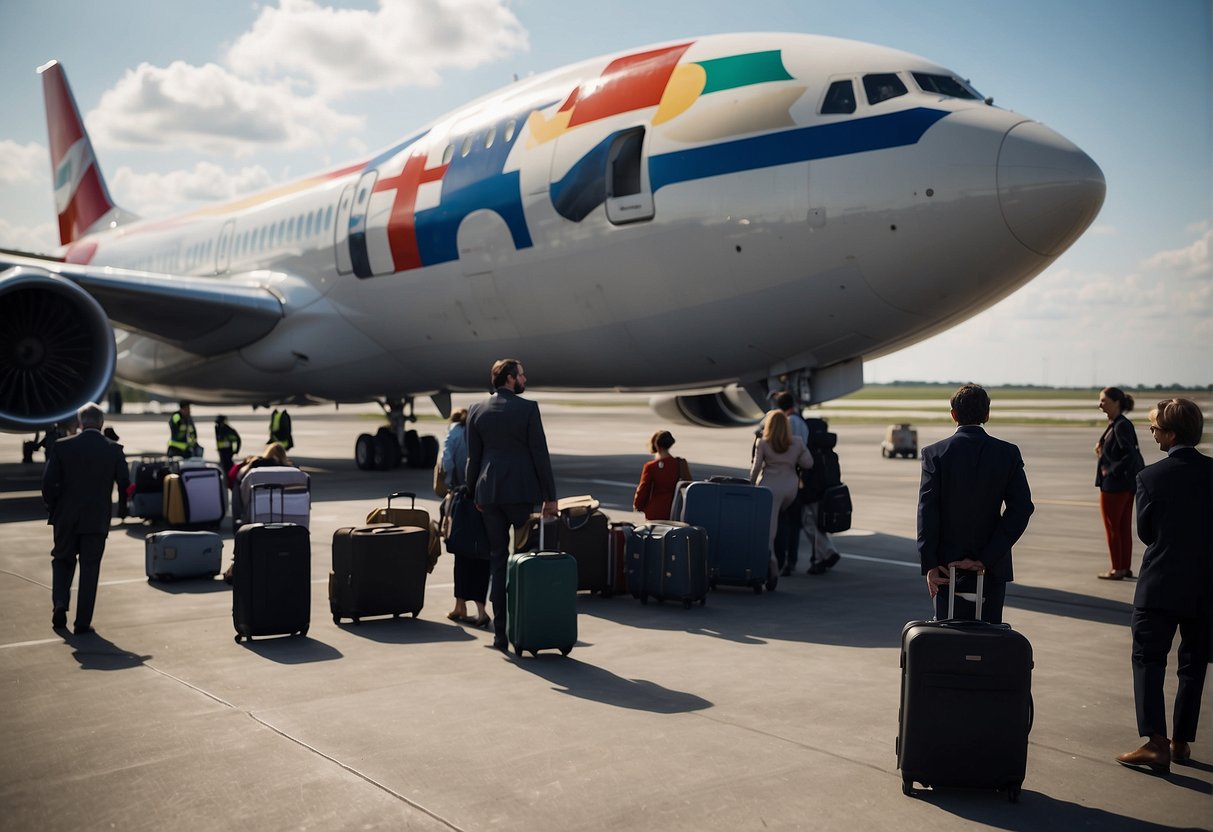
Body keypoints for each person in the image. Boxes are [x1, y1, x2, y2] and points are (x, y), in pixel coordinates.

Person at [1116, 398, 1212, 774]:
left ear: (1171, 434)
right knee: (1193, 664)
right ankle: (1181, 741)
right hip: (1204, 585)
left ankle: (1155, 741)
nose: (1152, 432)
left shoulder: (1150, 477)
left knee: (1149, 660)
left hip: (1160, 584)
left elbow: (1145, 532)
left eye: (1155, 428)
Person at [917, 384, 1034, 624]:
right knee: (987, 643)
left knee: (948, 637)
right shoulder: (1008, 453)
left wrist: (929, 563)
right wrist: (987, 557)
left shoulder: (935, 454)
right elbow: (1021, 508)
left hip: (946, 566)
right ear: (987, 415)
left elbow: (927, 511)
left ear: (953, 415)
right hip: (991, 565)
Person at [465, 359, 558, 651]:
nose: (524, 378)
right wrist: (550, 496)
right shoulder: (528, 408)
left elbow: (473, 458)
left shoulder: (476, 409)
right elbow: (539, 454)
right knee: (523, 561)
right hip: (520, 494)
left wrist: (473, 494)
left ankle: (500, 635)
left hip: (489, 494)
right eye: (521, 374)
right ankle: (523, 628)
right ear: (509, 378)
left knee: (497, 561)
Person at [41, 402, 129, 635]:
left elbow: (48, 484)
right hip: (96, 519)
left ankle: (60, 602)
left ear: (80, 423)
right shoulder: (114, 449)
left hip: (65, 518)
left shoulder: (61, 447)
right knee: (90, 569)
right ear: (101, 423)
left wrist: (54, 509)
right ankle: (82, 622)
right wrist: (122, 510)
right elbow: (125, 482)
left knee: (62, 561)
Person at [749, 409, 814, 582]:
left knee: (769, 528)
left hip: (769, 487)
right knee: (787, 525)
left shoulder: (762, 442)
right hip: (790, 488)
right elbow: (809, 463)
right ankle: (786, 559)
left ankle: (771, 559)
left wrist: (751, 484)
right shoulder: (797, 442)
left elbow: (756, 467)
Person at [442, 409, 488, 627]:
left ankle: (460, 605)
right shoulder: (482, 431)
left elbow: (446, 460)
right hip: (483, 500)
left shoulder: (455, 431)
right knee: (481, 554)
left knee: (460, 553)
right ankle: (481, 609)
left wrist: (449, 484)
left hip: (462, 497)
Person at [1095, 386, 1142, 580]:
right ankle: (1124, 567)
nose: (1100, 404)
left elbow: (1129, 454)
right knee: (1122, 527)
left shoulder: (1121, 425)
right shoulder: (1118, 423)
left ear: (1116, 403)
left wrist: (1109, 470)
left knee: (1113, 527)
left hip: (1115, 485)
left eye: (1104, 401)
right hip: (1124, 485)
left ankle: (1117, 569)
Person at [633, 430, 690, 521]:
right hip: (675, 511)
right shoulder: (680, 464)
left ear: (656, 445)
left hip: (655, 511)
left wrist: (638, 505)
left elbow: (643, 488)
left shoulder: (650, 466)